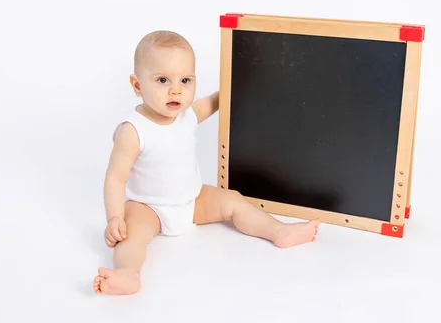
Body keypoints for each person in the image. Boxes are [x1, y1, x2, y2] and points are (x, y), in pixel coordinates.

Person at [93, 30, 320, 295]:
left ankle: (279, 232)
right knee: (130, 238)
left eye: (185, 80)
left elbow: (212, 103)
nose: (176, 89)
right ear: (137, 85)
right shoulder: (133, 130)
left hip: (193, 199)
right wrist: (115, 218)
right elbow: (115, 178)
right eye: (163, 80)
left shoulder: (185, 115)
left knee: (233, 200)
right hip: (149, 207)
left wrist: (234, 87)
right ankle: (128, 275)